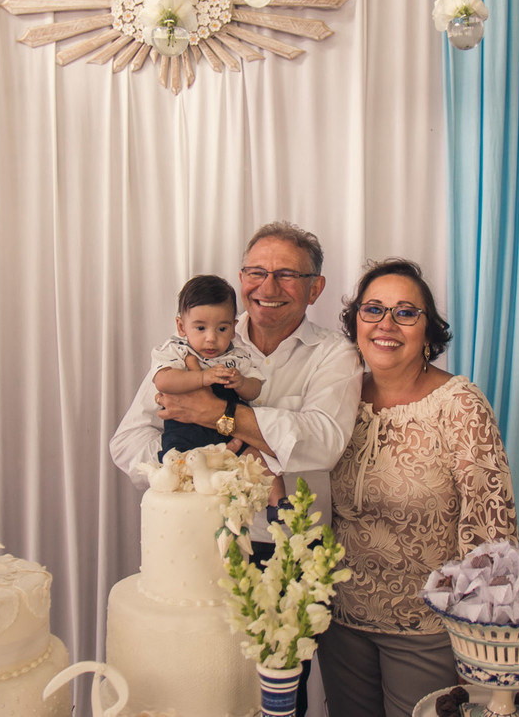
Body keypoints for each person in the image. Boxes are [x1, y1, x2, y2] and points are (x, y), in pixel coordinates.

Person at [110, 221, 363, 716]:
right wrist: (194, 466)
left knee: (274, 697)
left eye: (287, 274)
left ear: (315, 288)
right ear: (241, 278)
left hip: (285, 550)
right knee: (200, 691)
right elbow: (128, 441)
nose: (268, 287)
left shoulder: (334, 355)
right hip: (196, 546)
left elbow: (323, 442)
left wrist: (215, 415)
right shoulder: (189, 344)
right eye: (256, 272)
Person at [320, 258, 519, 717]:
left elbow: (491, 533)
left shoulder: (460, 405)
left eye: (406, 312)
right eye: (373, 309)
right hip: (340, 622)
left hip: (427, 630)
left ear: (428, 332)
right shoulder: (337, 396)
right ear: (356, 323)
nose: (386, 324)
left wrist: (481, 649)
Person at [152, 274, 265, 457]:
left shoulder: (236, 356)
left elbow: (255, 389)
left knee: (256, 457)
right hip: (184, 432)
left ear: (233, 328)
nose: (211, 338)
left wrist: (242, 383)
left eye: (222, 329)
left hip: (228, 431)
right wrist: (202, 377)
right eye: (201, 328)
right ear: (181, 326)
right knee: (176, 462)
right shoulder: (177, 350)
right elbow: (163, 381)